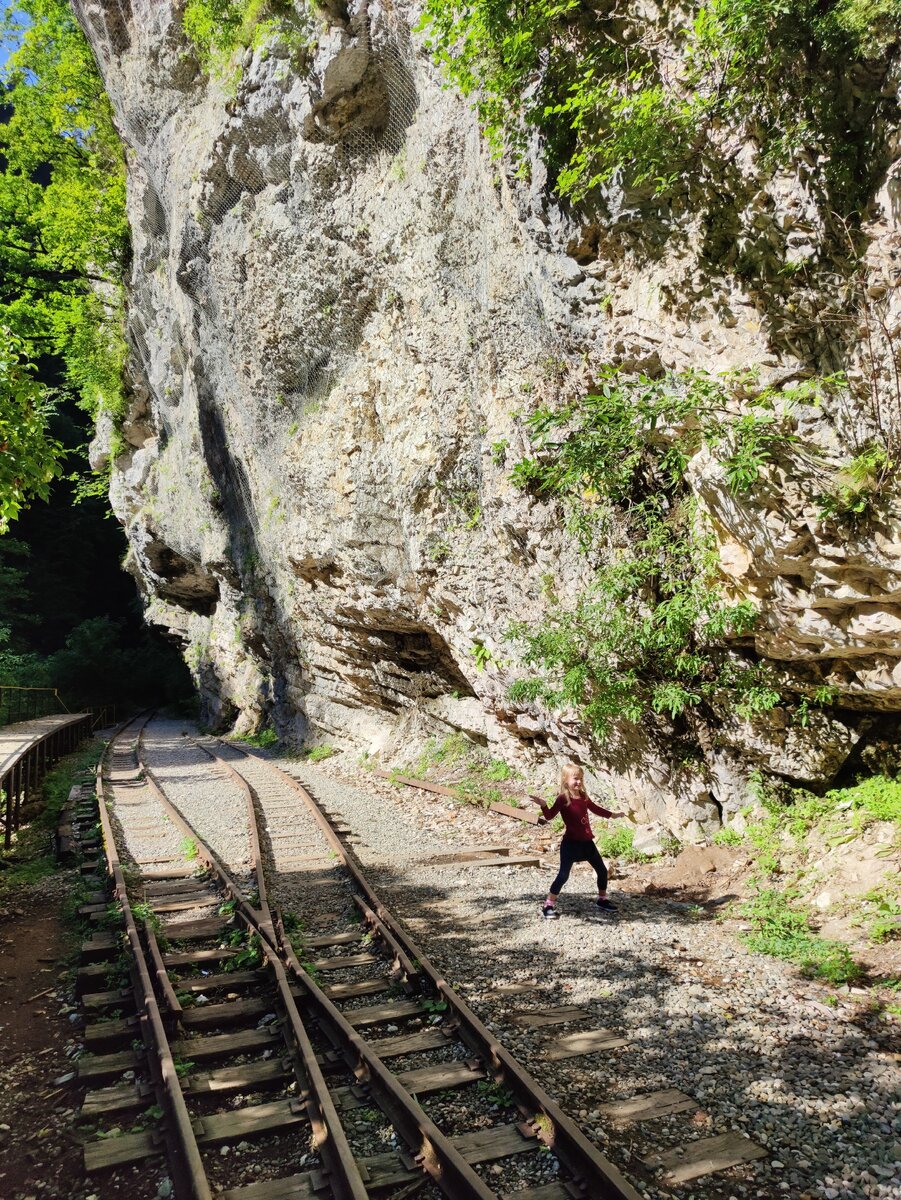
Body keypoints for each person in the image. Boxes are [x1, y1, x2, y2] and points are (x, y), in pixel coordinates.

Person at [528, 763, 626, 920]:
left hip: (587, 843)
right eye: (575, 778)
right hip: (571, 845)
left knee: (602, 871)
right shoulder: (563, 798)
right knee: (563, 875)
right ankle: (548, 905)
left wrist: (613, 815)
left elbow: (596, 809)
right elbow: (549, 816)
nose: (579, 782)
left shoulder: (584, 797)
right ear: (565, 780)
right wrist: (544, 805)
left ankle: (602, 900)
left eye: (581, 778)